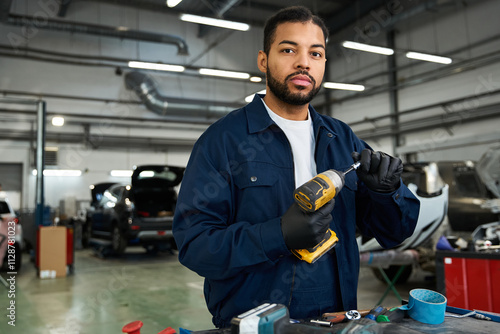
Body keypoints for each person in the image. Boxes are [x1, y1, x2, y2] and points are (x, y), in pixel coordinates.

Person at [173, 6, 420, 328]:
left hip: (336, 318)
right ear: (264, 60)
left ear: (323, 64)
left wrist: (386, 193)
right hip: (254, 323)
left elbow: (393, 234)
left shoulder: (343, 139)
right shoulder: (223, 141)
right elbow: (196, 246)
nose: (304, 62)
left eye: (315, 53)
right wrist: (277, 235)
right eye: (289, 49)